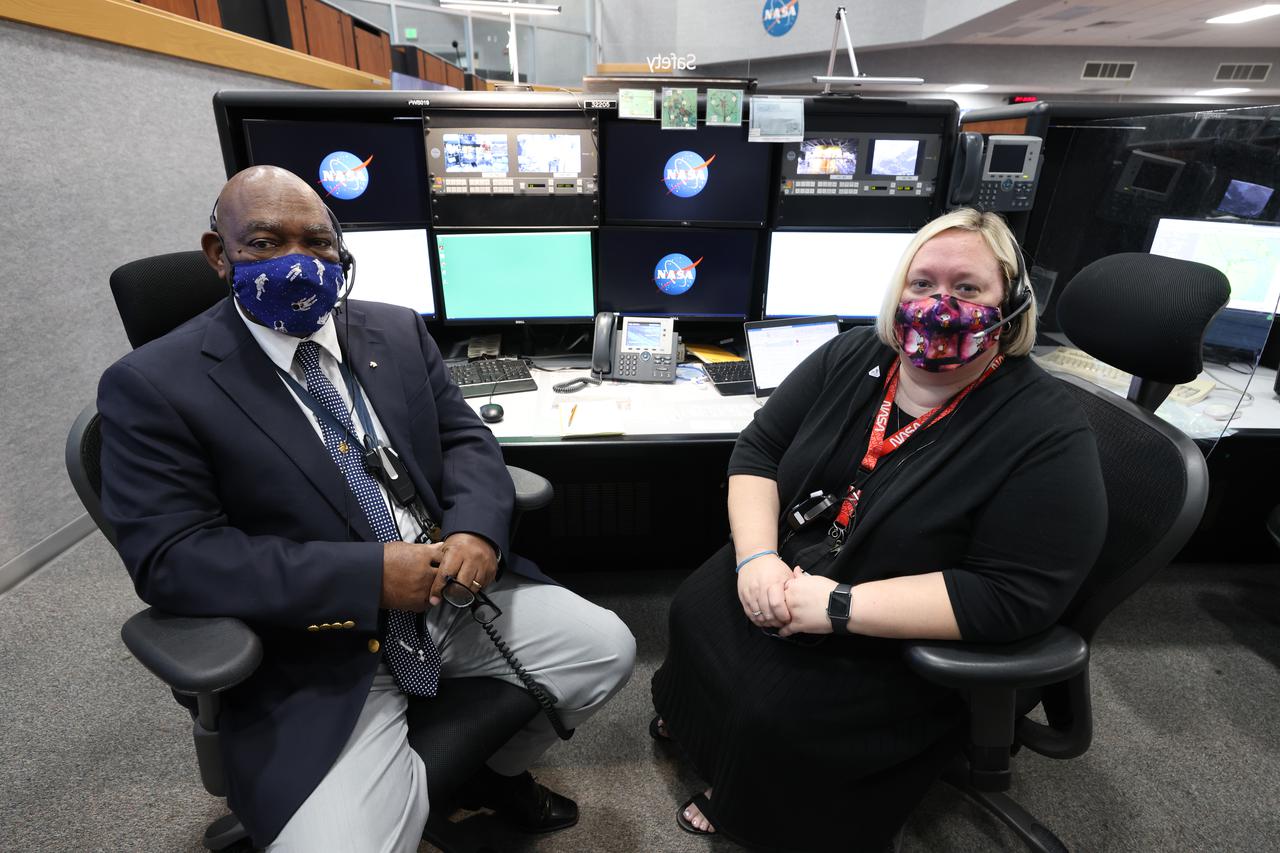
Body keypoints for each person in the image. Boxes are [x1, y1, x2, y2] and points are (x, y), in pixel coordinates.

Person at [97, 166, 636, 851]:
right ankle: (390, 789)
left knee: (606, 650)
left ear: (342, 253)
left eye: (318, 244)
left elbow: (464, 439)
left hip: (449, 594)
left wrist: (475, 529)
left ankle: (485, 775)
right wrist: (369, 575)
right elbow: (173, 559)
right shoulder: (152, 385)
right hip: (315, 643)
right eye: (265, 242)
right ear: (218, 252)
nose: (298, 264)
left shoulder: (393, 330)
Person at [650, 209, 1108, 851]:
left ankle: (752, 802)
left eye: (968, 288)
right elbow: (758, 450)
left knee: (775, 707)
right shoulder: (854, 354)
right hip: (793, 569)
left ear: (1013, 305)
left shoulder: (1047, 431)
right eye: (923, 283)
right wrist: (756, 558)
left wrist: (839, 606)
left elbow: (1015, 594)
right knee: (700, 605)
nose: (939, 306)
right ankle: (705, 729)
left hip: (893, 626)